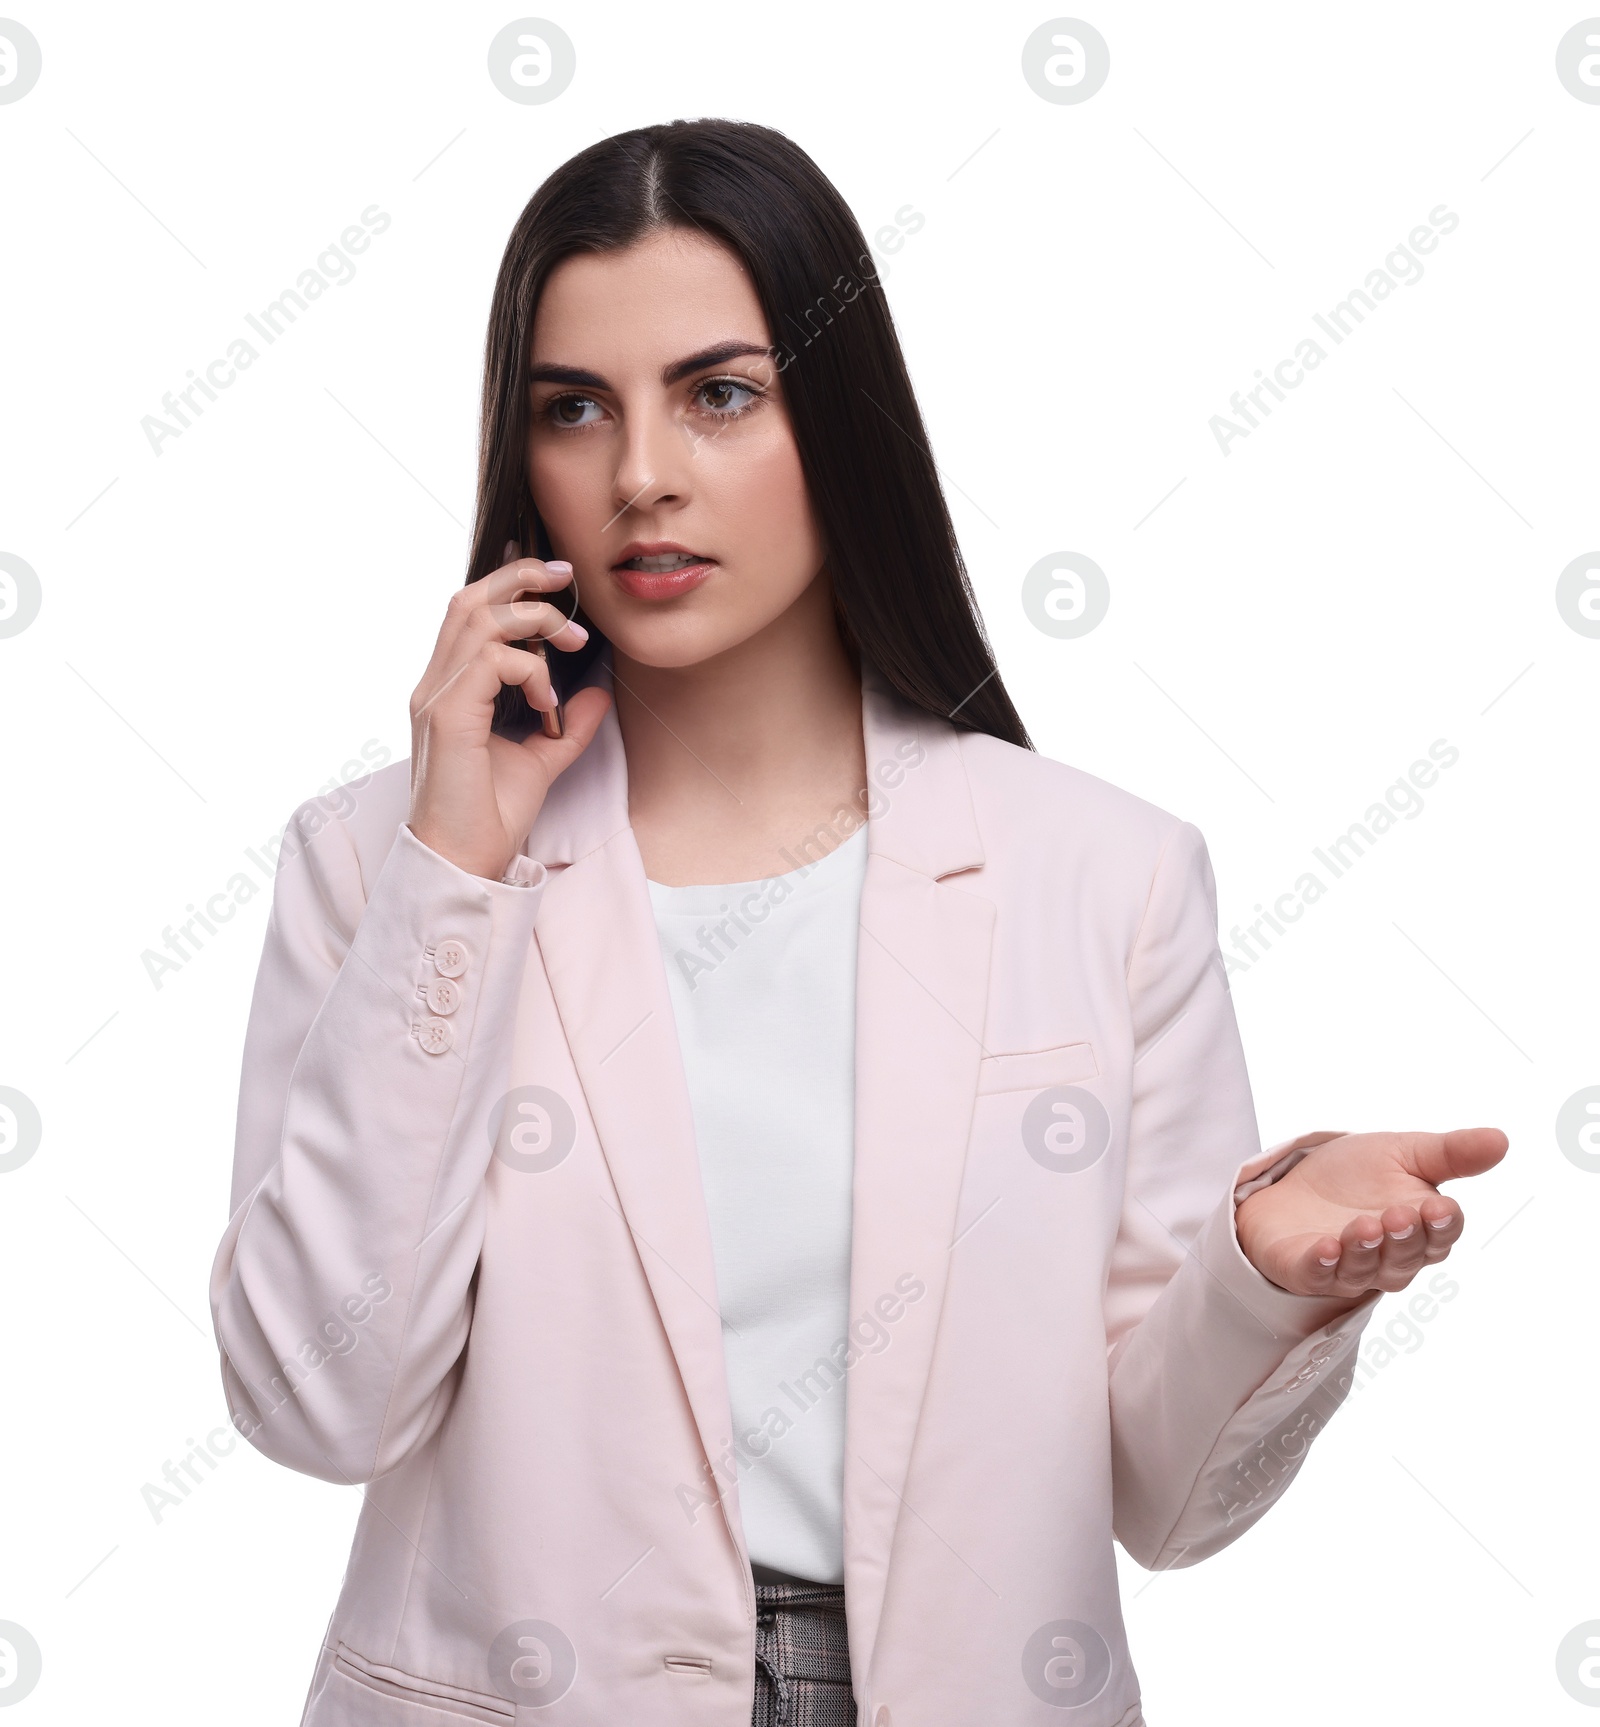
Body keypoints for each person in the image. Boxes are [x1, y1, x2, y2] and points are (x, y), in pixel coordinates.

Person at [209, 118, 1507, 1727]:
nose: (642, 477)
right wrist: (455, 868)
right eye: (574, 409)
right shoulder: (384, 870)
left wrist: (1259, 1269)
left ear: (844, 415)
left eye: (720, 393)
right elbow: (316, 1404)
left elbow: (1170, 1505)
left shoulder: (1102, 874)